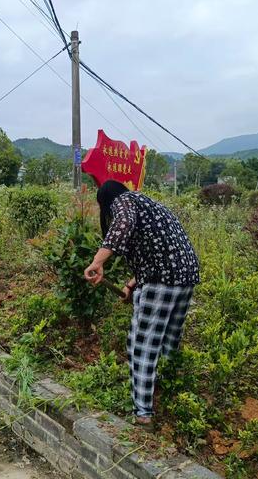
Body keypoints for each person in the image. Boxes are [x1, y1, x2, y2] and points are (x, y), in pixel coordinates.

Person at [84, 180, 199, 430]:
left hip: (161, 281)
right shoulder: (152, 205)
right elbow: (160, 251)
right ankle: (168, 392)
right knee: (169, 341)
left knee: (143, 345)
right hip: (186, 278)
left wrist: (98, 261)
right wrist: (131, 285)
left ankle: (143, 414)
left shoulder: (124, 202)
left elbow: (122, 225)